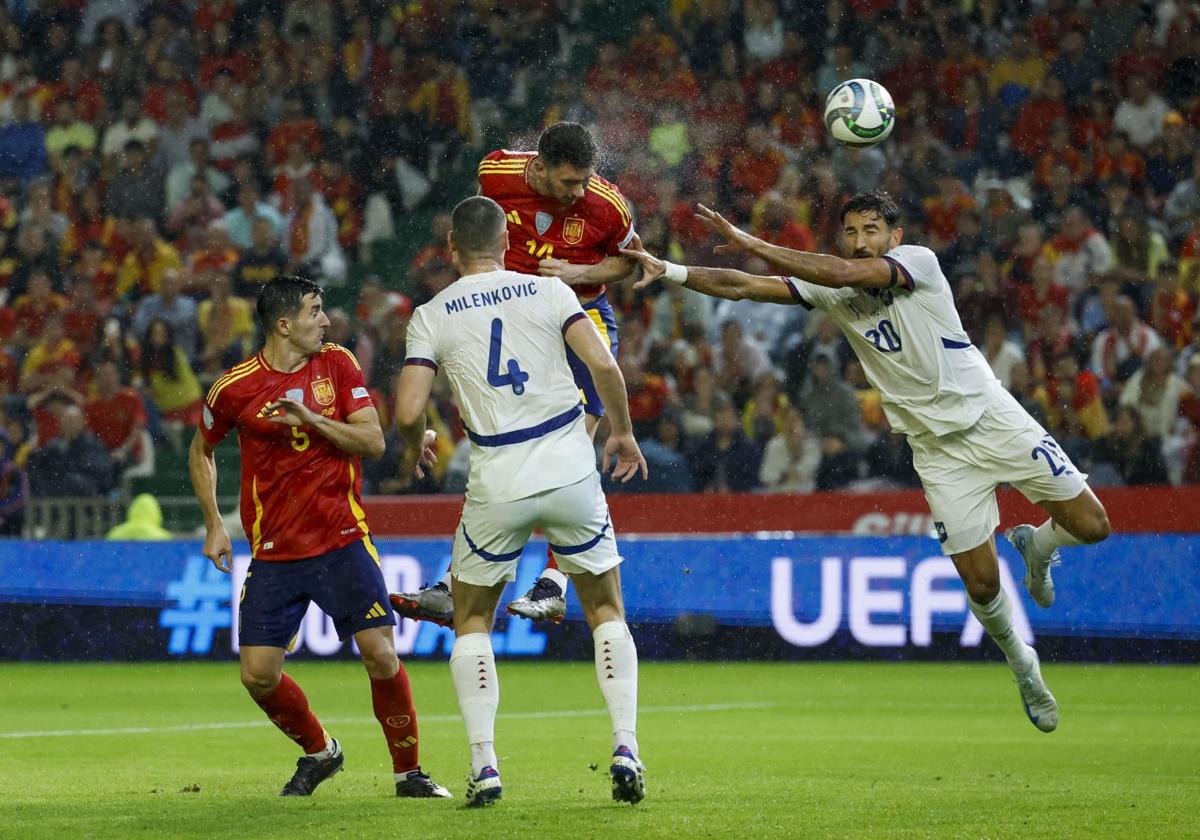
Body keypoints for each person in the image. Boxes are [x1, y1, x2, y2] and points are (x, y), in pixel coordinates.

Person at [620, 191, 1113, 733]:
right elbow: (741, 286)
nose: (860, 242)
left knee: (1093, 525)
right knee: (982, 586)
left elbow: (834, 271)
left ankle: (1037, 545)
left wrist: (749, 241)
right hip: (937, 451)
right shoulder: (831, 290)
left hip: (994, 419)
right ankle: (1024, 665)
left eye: (871, 230)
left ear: (893, 239)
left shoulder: (918, 263)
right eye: (851, 232)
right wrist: (668, 268)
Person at [392, 196, 647, 806]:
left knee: (472, 619)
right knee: (606, 611)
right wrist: (622, 431)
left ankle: (486, 767)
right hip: (567, 468)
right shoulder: (551, 292)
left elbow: (405, 411)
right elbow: (604, 366)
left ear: (451, 248)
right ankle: (626, 746)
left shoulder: (431, 315)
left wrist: (416, 442)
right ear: (508, 241)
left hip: (497, 477)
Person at [188, 275, 450, 799]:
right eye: (314, 312)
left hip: (341, 540)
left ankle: (410, 774)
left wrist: (310, 418)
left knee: (380, 654)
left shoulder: (338, 364)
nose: (325, 321)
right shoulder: (233, 387)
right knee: (257, 675)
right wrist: (216, 523)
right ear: (284, 325)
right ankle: (321, 752)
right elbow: (201, 450)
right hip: (274, 553)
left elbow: (372, 441)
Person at [392, 122, 636, 626]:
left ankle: (554, 580)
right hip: (515, 324)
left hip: (577, 318)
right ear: (539, 167)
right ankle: (458, 575)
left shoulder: (608, 206)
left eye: (585, 180)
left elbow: (631, 264)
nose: (579, 192)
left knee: (571, 446)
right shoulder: (497, 172)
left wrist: (581, 274)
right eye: (569, 182)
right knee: (498, 448)